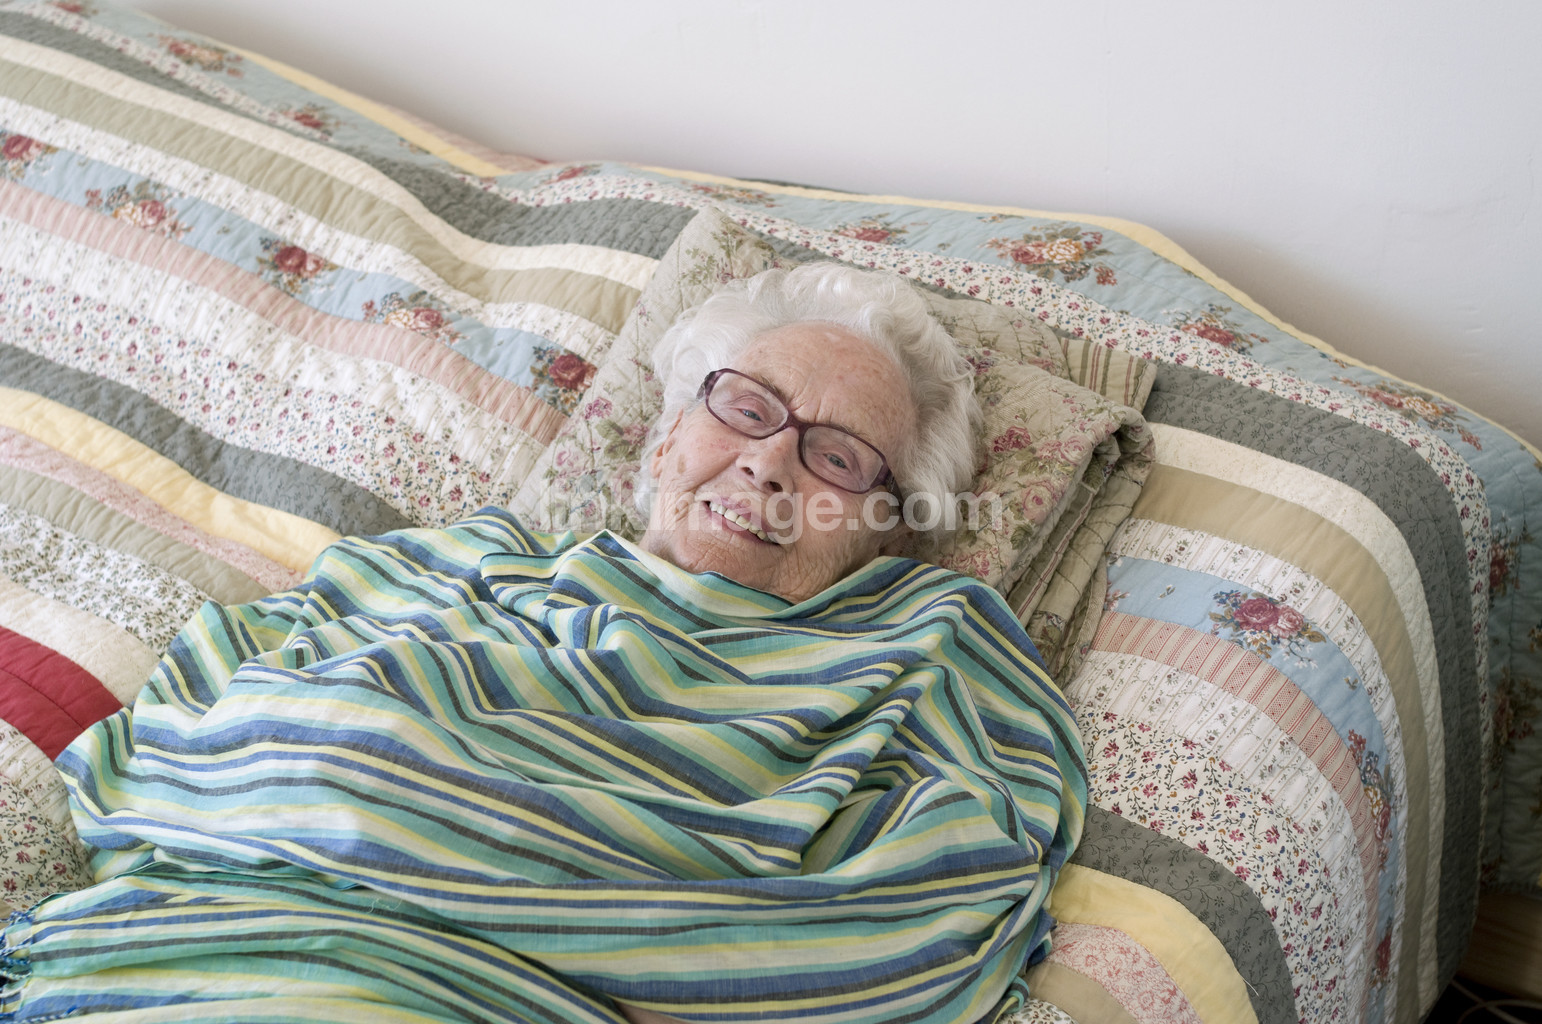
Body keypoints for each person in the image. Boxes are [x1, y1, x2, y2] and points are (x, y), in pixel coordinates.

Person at [0, 264, 1087, 1024]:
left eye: (839, 459)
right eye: (747, 407)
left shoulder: (914, 658)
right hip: (163, 970)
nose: (769, 463)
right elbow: (186, 720)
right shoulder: (453, 564)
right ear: (666, 437)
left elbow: (912, 936)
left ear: (882, 533)